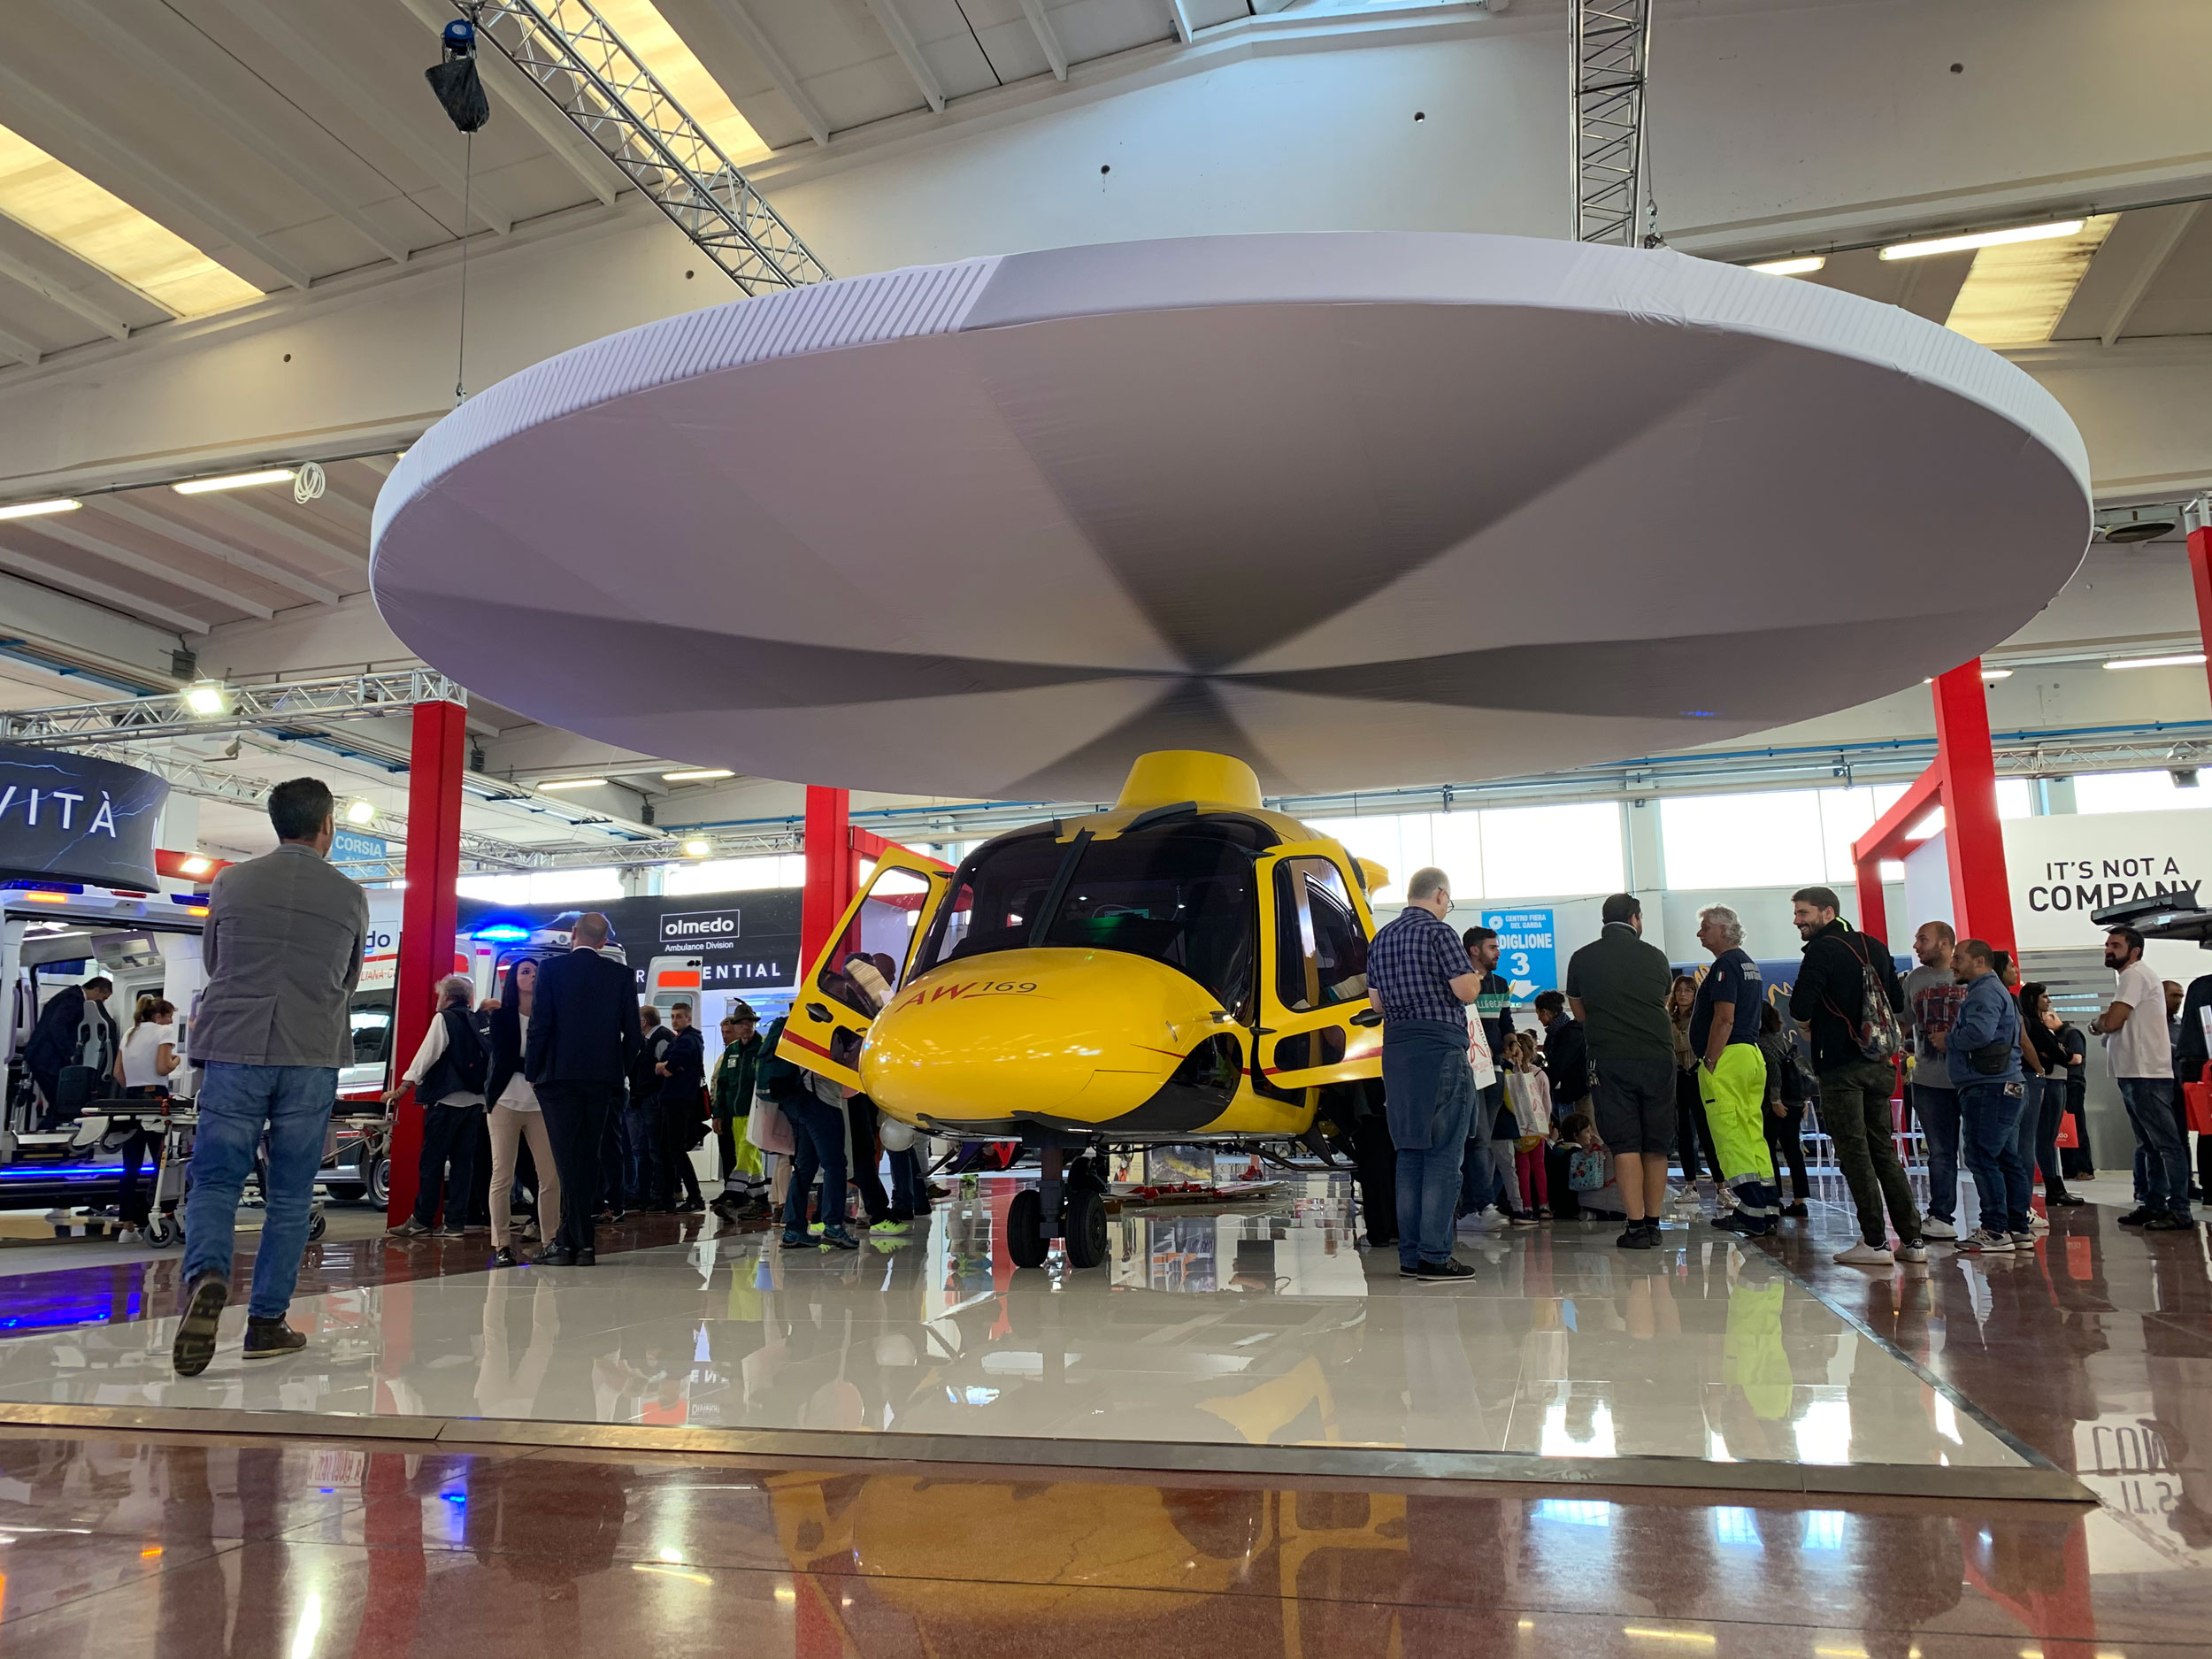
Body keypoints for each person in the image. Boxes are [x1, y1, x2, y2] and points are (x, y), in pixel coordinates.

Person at [173, 777, 371, 1377]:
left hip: (235, 1044)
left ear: (276, 822)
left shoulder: (231, 881)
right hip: (310, 1050)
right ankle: (265, 1322)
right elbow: (350, 977)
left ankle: (207, 1275)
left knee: (215, 1180)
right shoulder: (350, 895)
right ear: (327, 825)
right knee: (290, 1193)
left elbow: (215, 962)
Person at [1786, 886, 1924, 1267]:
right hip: (1878, 1063)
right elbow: (1897, 1002)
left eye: (1803, 913)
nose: (1797, 920)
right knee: (1884, 1151)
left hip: (1840, 1066)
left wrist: (1809, 1024)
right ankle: (1913, 1240)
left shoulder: (1821, 951)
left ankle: (1875, 1242)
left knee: (1854, 1153)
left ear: (1828, 913)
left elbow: (1799, 1005)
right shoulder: (1873, 945)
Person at [1364, 865, 1481, 1281]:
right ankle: (1435, 1255)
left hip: (1397, 1054)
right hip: (1440, 1049)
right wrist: (1474, 977)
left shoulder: (1381, 938)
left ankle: (1411, 1255)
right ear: (1440, 895)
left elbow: (1377, 1004)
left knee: (1410, 1154)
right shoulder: (1439, 932)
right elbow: (1466, 991)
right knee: (1444, 1154)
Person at [525, 910, 644, 1265]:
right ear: (604, 941)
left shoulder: (551, 970)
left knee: (566, 1159)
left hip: (558, 1078)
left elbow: (540, 1025)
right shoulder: (620, 975)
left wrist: (533, 1070)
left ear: (573, 933)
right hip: (601, 1081)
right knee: (589, 1157)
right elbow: (634, 1036)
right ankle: (579, 1243)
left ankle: (572, 1244)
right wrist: (616, 1071)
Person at [1562, 892, 1676, 1250]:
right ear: (1634, 918)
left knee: (1625, 1144)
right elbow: (1663, 1001)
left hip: (1609, 1059)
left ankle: (1636, 1227)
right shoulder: (1656, 956)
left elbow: (1579, 1013)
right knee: (1656, 1145)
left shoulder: (1582, 958)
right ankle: (1655, 1225)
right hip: (1658, 1056)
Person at [1689, 905, 1779, 1237]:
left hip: (1728, 1058)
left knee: (1729, 1133)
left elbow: (1724, 1018)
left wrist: (1711, 1059)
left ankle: (1750, 1210)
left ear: (1723, 929)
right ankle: (1768, 1206)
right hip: (1750, 1055)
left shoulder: (1726, 965)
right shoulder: (1747, 963)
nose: (1700, 933)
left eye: (1705, 927)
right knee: (1752, 1131)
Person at [2093, 926, 2192, 1230]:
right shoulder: (2132, 977)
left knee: (2166, 1145)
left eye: (2116, 945)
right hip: (2136, 1072)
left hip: (2145, 1073)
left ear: (2134, 951)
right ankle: (2155, 1204)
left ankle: (2179, 1210)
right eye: (2107, 945)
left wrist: (2098, 1022)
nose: (2108, 950)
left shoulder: (2134, 975)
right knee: (2150, 1145)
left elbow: (2113, 1021)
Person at [386, 974, 489, 1240]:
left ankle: (422, 1220)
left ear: (447, 997)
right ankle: (456, 1223)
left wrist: (402, 1089)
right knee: (463, 1165)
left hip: (446, 1099)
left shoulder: (444, 1018)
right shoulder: (477, 1019)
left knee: (432, 1162)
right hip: (476, 1101)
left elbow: (426, 1055)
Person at [1947, 938, 2032, 1253]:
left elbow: (1979, 1033)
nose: (1953, 964)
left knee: (1982, 1155)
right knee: (2007, 1158)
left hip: (1989, 1086)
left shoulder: (1983, 992)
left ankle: (1995, 1229)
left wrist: (1948, 1039)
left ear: (1979, 961)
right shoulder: (1999, 992)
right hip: (2007, 1084)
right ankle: (2018, 1228)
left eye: (1958, 958)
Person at [482, 958, 559, 1270]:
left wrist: (538, 1070)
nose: (532, 976)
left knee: (550, 1175)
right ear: (514, 979)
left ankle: (551, 1240)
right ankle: (502, 1244)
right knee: (502, 1174)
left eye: (536, 972)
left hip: (539, 1103)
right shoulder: (501, 1015)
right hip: (505, 1101)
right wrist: (535, 1069)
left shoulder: (549, 1016)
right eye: (525, 972)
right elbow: (504, 1057)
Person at [1900, 921, 1967, 1241]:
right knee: (1940, 1152)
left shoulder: (1968, 975)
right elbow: (1902, 1022)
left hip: (1971, 1079)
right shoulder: (1915, 980)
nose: (1916, 945)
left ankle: (2001, 1218)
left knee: (1985, 1151)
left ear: (1944, 943)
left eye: (1922, 939)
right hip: (1928, 1080)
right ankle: (1941, 1216)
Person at [113, 995, 179, 1241]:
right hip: (156, 1099)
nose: (171, 1021)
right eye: (169, 1016)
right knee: (162, 1163)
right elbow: (163, 1068)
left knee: (130, 1164)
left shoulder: (130, 1033)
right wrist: (177, 1060)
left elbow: (118, 1073)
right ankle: (160, 1215)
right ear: (158, 1016)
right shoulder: (164, 1032)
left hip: (131, 1100)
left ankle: (128, 1225)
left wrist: (134, 1089)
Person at [1457, 926, 1511, 1223]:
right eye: (1492, 947)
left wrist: (1511, 1040)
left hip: (1495, 1070)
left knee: (1485, 1139)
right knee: (1477, 1138)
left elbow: (1505, 1022)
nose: (1498, 952)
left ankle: (1474, 1205)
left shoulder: (1500, 984)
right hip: (1470, 1071)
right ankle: (1481, 1204)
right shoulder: (1460, 983)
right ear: (1474, 950)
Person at [2016, 983, 2082, 1214]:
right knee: (2045, 1136)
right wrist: (2059, 1053)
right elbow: (2062, 1055)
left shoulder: (2037, 1025)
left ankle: (2055, 1185)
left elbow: (2058, 1053)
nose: (2049, 1001)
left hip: (2052, 1080)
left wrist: (2059, 1052)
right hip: (2049, 1082)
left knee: (2045, 1137)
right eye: (2044, 997)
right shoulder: (2034, 1026)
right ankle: (2054, 1187)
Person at [780, 1065, 860, 1251]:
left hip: (798, 1099)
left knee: (804, 1167)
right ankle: (833, 1226)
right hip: (822, 1098)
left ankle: (793, 1229)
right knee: (835, 1164)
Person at [24, 973, 118, 1125]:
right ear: (96, 990)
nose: (102, 1002)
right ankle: (47, 1133)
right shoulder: (73, 999)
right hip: (46, 1058)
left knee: (58, 1102)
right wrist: (70, 1053)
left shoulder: (69, 995)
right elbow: (57, 1025)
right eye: (103, 998)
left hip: (42, 1056)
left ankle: (48, 1132)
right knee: (60, 1102)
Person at [709, 1004, 767, 1217]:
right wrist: (718, 1114)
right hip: (735, 1114)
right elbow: (723, 1084)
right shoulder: (732, 1051)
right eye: (741, 1023)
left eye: (749, 1022)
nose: (746, 1026)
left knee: (745, 1154)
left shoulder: (763, 1048)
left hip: (757, 1112)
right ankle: (760, 1199)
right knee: (751, 1157)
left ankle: (732, 1196)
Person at [1666, 973, 1719, 1194]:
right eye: (1679, 990)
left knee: (1707, 1132)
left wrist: (1671, 1026)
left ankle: (1721, 1186)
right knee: (1684, 1134)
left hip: (1699, 1075)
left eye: (1688, 990)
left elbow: (1683, 1042)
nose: (1683, 994)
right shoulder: (1669, 1017)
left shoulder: (1700, 1017)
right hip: (1678, 1078)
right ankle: (1690, 1185)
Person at [1756, 1002, 1810, 1216]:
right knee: (1793, 1151)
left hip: (1776, 1104)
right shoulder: (1782, 1040)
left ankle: (1775, 1198)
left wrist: (1775, 1101)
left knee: (1768, 1150)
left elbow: (1774, 1073)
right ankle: (1800, 1202)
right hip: (1796, 1101)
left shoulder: (1761, 1043)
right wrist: (1803, 1099)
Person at [655, 1001, 708, 1212]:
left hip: (679, 1101)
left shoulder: (688, 1041)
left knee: (676, 1150)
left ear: (689, 1018)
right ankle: (667, 1197)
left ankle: (695, 1196)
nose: (675, 1020)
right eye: (673, 1016)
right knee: (666, 1150)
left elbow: (666, 1069)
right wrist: (665, 1066)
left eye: (679, 1016)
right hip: (672, 1100)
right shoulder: (680, 1040)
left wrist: (665, 1066)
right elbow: (661, 1064)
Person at [627, 1006, 672, 1210]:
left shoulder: (660, 1038)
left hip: (654, 1100)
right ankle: (643, 1194)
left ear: (644, 1022)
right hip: (646, 1100)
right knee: (643, 1149)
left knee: (655, 1149)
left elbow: (667, 1068)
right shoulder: (648, 1040)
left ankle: (659, 1195)